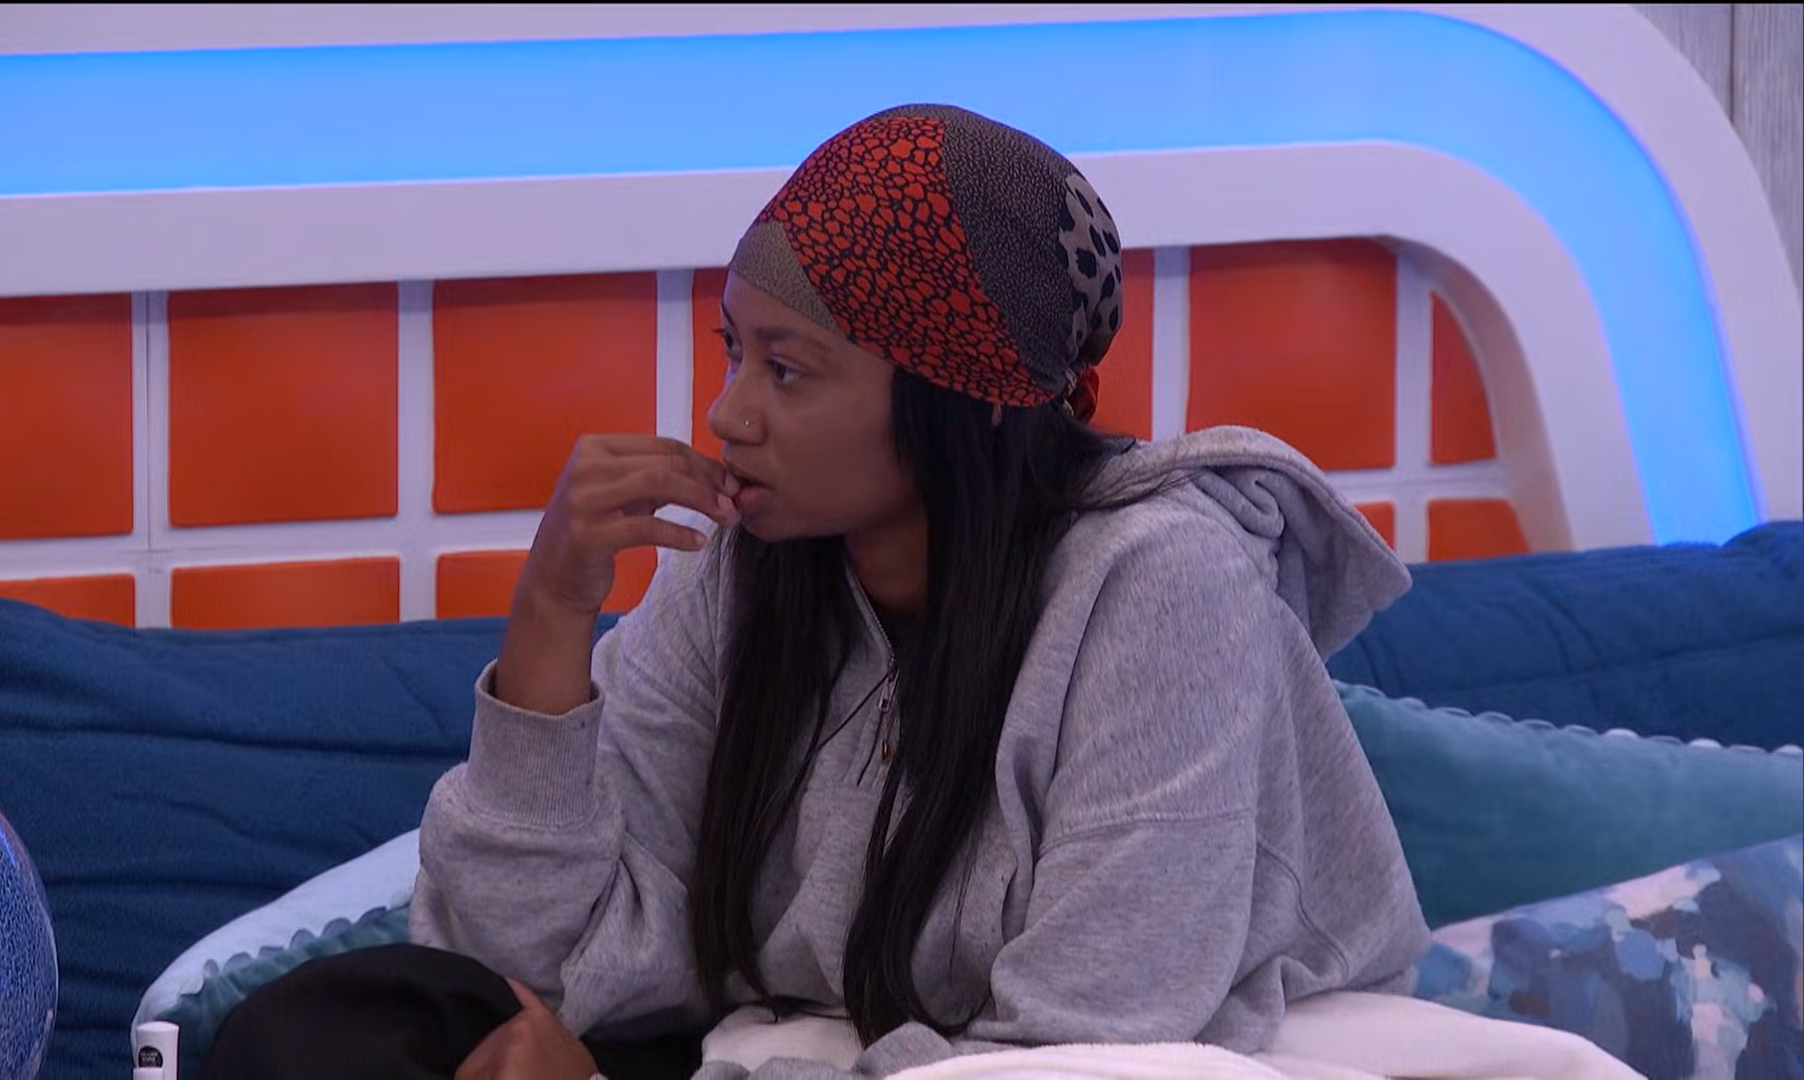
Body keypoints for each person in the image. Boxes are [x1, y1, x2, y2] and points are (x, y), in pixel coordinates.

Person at [206, 103, 1430, 1080]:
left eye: (788, 370)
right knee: (329, 1032)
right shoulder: (749, 566)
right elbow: (537, 967)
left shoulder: (1164, 584)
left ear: (964, 399)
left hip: (1095, 1061)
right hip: (813, 1047)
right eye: (734, 352)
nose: (728, 415)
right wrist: (551, 617)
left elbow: (1080, 1049)